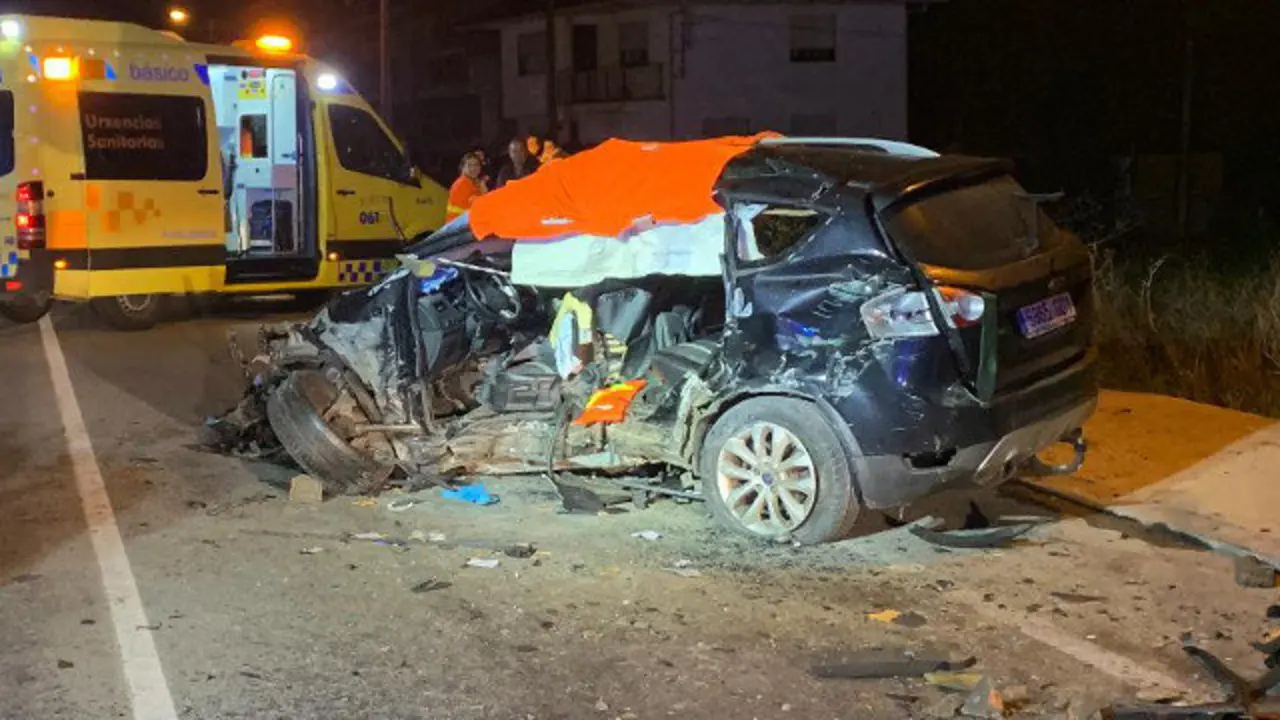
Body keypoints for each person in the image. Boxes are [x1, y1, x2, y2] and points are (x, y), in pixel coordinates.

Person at [446, 152, 487, 223]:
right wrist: (484, 191)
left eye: (476, 165)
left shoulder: (474, 182)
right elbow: (481, 204)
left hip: (463, 225)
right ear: (463, 168)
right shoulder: (462, 183)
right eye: (469, 165)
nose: (473, 168)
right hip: (458, 227)